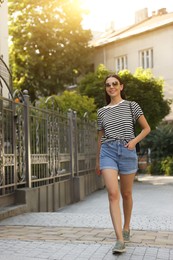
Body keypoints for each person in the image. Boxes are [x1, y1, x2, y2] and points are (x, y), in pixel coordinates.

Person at [96, 74, 150, 254]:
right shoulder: (101, 111)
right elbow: (101, 137)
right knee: (113, 194)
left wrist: (134, 142)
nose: (111, 87)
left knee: (126, 193)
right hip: (108, 151)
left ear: (121, 87)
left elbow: (146, 128)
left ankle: (126, 227)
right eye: (108, 85)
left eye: (114, 84)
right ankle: (119, 239)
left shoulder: (131, 106)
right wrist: (98, 160)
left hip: (127, 150)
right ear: (106, 88)